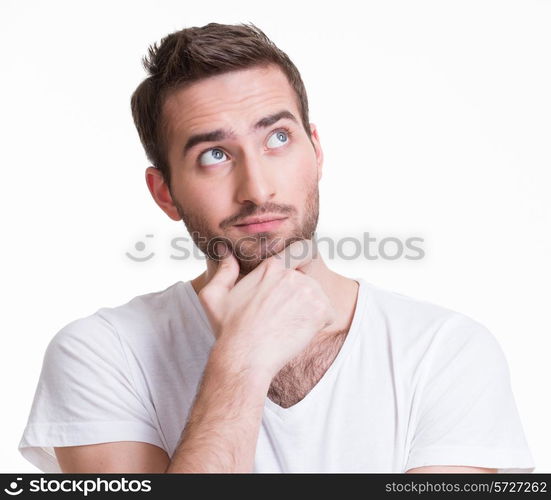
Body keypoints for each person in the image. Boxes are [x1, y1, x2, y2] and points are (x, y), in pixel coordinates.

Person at [18, 22, 535, 473]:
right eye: (214, 153)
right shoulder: (103, 353)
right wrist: (240, 361)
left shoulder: (444, 352)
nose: (258, 188)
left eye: (278, 138)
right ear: (165, 193)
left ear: (317, 151)